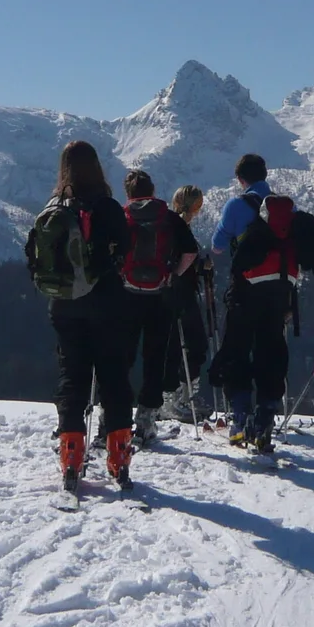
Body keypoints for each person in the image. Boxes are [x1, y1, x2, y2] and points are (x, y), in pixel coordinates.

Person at [34, 140, 137, 491]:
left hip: (64, 305)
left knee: (72, 376)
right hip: (107, 301)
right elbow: (125, 248)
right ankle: (119, 455)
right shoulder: (108, 207)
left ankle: (71, 454)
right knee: (114, 376)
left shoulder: (54, 207)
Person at [208, 153, 296, 452]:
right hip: (279, 292)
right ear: (265, 175)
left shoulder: (238, 204)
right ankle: (265, 418)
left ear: (240, 179)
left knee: (236, 349)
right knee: (271, 351)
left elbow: (218, 246)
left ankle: (241, 416)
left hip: (246, 290)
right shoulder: (285, 208)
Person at [119, 169, 198, 445]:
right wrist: (173, 274)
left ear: (128, 193)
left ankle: (114, 420)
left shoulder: (121, 216)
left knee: (121, 358)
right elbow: (190, 251)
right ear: (152, 191)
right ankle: (146, 422)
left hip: (126, 296)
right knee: (154, 359)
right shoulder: (169, 217)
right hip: (160, 296)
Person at [164, 185, 211, 420]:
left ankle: (173, 396)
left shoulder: (169, 224)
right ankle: (181, 396)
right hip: (180, 293)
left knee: (174, 344)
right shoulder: (180, 226)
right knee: (193, 343)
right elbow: (186, 256)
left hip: (169, 292)